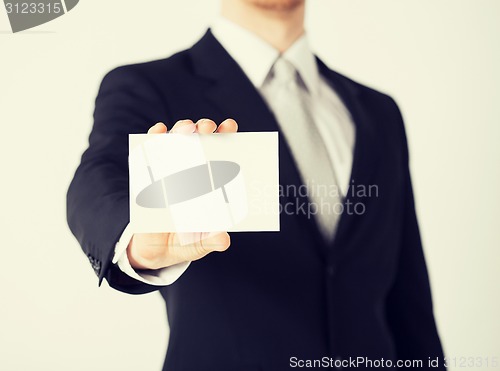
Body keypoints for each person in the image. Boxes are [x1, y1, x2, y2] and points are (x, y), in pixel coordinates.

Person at [67, 0, 445, 369]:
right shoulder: (149, 87)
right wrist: (137, 241)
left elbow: (408, 300)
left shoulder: (379, 112)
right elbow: (96, 178)